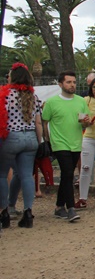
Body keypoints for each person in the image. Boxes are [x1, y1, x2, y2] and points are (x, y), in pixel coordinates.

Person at [42, 71, 91, 223]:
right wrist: (47, 140)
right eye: (69, 82)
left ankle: (58, 206)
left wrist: (87, 122)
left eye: (74, 82)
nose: (72, 85)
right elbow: (44, 121)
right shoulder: (51, 102)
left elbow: (85, 121)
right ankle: (70, 208)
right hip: (59, 143)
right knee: (68, 173)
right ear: (60, 84)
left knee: (66, 175)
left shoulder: (80, 101)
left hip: (76, 142)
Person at [0, 63, 43, 228]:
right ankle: (28, 212)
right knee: (26, 175)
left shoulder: (5, 95)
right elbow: (38, 122)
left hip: (11, 137)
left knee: (2, 175)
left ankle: (4, 211)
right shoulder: (34, 97)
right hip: (30, 137)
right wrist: (38, 142)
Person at [77, 75, 95, 208]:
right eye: (94, 87)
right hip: (88, 137)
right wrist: (85, 121)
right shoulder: (86, 100)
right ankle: (82, 198)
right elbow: (80, 119)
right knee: (85, 167)